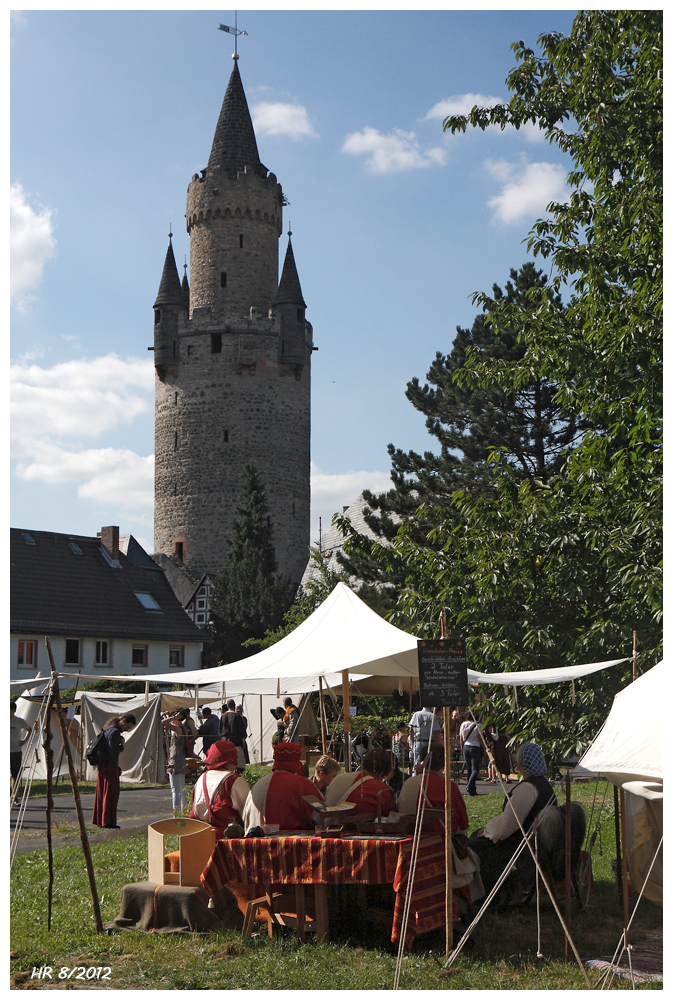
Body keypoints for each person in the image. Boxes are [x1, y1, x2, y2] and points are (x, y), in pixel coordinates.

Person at [469, 743, 556, 898]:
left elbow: (509, 825)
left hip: (519, 847)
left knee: (472, 844)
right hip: (536, 845)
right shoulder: (545, 786)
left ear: (521, 764)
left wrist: (487, 832)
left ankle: (484, 895)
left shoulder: (528, 788)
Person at [242, 742, 322, 832]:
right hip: (291, 843)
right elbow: (322, 817)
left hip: (255, 843)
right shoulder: (303, 785)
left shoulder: (258, 785)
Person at [189, 739, 250, 839]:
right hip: (228, 842)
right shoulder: (233, 780)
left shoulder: (201, 779)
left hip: (200, 839)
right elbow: (249, 813)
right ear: (231, 760)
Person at [91, 713, 136, 828]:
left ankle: (101, 820)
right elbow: (113, 751)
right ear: (123, 721)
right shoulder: (115, 732)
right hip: (110, 766)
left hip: (102, 765)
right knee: (110, 794)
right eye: (128, 727)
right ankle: (107, 821)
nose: (127, 730)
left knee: (102, 793)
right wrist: (122, 745)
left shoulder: (108, 729)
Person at [324, 747, 395, 818]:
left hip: (327, 825)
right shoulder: (381, 789)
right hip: (354, 828)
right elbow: (392, 819)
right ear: (381, 774)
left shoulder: (338, 779)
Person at [163, 709, 191, 816]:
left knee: (175, 790)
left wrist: (173, 717)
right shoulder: (182, 728)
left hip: (175, 761)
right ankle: (184, 811)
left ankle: (177, 813)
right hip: (181, 759)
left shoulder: (177, 729)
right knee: (181, 788)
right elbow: (167, 723)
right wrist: (169, 716)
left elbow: (164, 723)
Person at [408, 706, 441, 774]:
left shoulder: (416, 714)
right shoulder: (433, 716)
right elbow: (436, 733)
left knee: (416, 764)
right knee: (430, 764)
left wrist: (412, 743)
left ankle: (416, 780)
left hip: (418, 742)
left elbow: (411, 730)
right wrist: (439, 745)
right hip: (429, 742)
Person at [460, 715, 485, 796]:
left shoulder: (463, 724)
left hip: (466, 746)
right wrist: (484, 747)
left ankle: (472, 790)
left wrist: (462, 748)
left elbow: (461, 737)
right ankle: (469, 785)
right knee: (475, 769)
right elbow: (480, 737)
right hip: (475, 746)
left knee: (469, 769)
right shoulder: (478, 725)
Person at [219, 700, 247, 769]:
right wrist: (243, 742)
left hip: (225, 742)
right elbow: (242, 731)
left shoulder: (223, 716)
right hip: (236, 741)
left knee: (227, 761)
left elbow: (220, 731)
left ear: (227, 706)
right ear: (234, 706)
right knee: (239, 762)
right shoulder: (238, 716)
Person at [10, 702, 31, 788]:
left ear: (13, 710)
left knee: (15, 775)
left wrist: (24, 741)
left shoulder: (19, 721)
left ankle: (14, 796)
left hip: (15, 751)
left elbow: (30, 729)